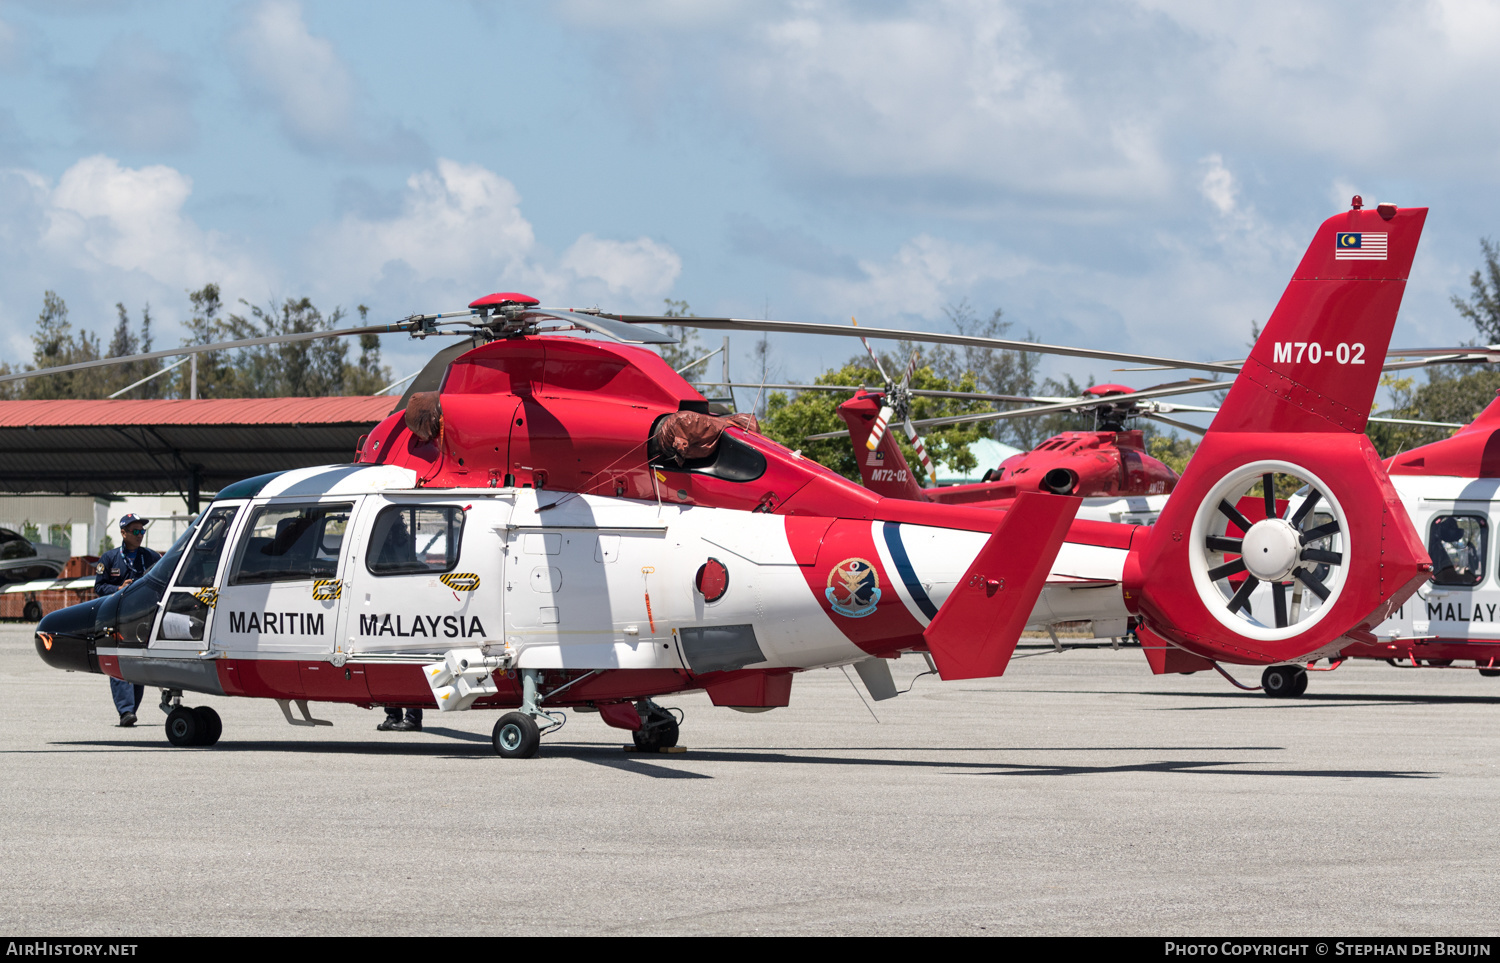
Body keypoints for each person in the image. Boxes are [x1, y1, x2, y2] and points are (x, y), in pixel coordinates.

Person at [95, 513, 162, 727]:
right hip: (117, 618)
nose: (140, 535)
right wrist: (118, 589)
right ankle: (125, 710)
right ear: (123, 533)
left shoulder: (152, 557)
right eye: (135, 531)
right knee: (118, 660)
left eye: (142, 531)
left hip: (143, 619)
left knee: (137, 661)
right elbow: (99, 587)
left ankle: (131, 710)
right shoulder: (109, 558)